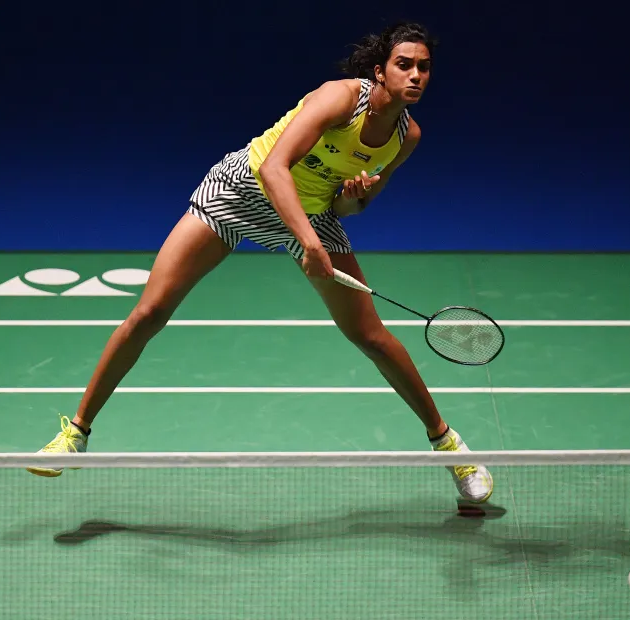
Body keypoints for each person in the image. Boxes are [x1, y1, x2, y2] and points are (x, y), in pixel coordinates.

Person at [26, 22, 493, 503]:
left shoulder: (406, 136)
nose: (415, 75)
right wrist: (309, 244)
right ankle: (76, 434)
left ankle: (449, 446)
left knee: (371, 336)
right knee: (150, 312)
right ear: (380, 71)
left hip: (311, 213)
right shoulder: (340, 99)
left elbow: (350, 207)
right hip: (240, 191)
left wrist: (355, 195)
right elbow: (273, 167)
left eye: (424, 67)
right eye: (404, 65)